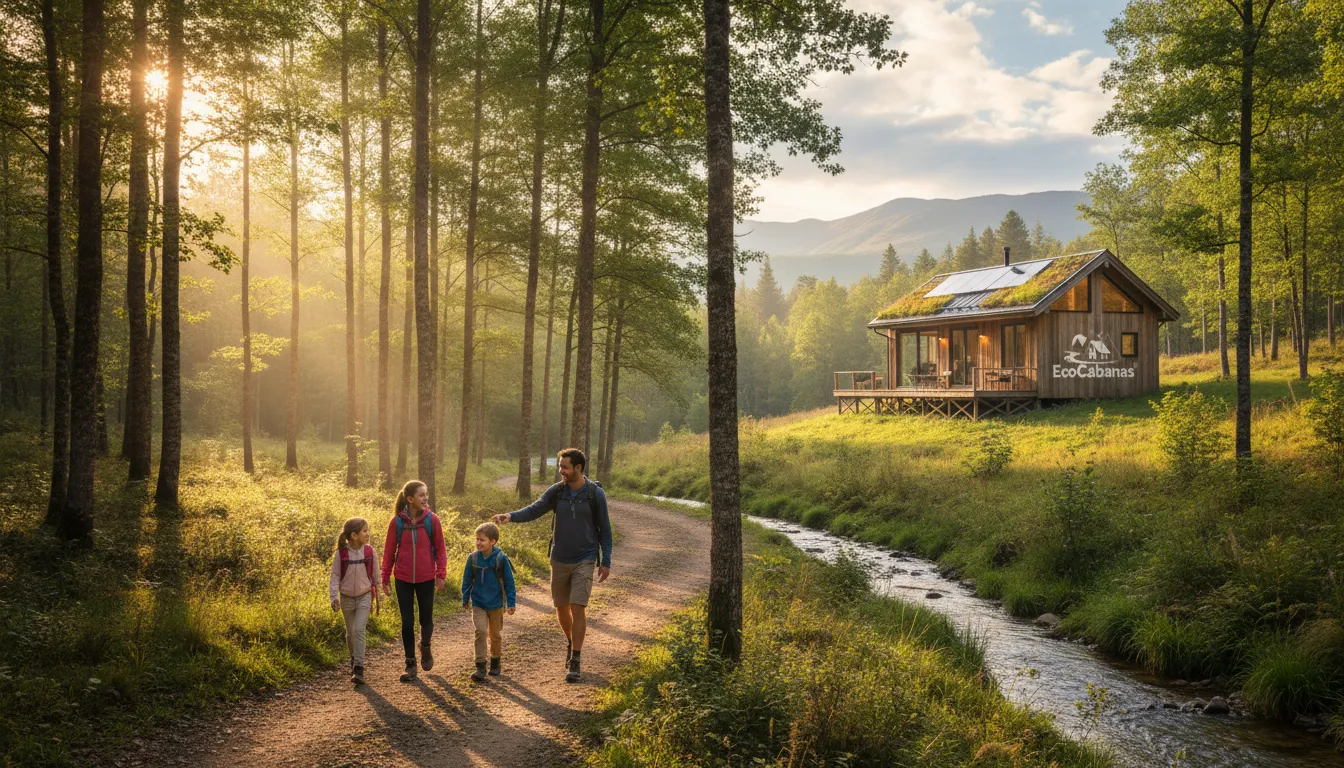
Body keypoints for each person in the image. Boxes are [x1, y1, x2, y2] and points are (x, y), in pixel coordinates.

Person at [494, 447, 611, 683]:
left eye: (565, 467)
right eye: (560, 466)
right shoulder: (557, 492)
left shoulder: (595, 494)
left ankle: (576, 659)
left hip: (585, 558)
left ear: (578, 468)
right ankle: (571, 642)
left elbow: (605, 531)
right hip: (559, 558)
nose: (561, 471)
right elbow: (535, 509)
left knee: (578, 606)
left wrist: (605, 561)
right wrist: (511, 516)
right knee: (561, 608)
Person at [381, 480, 446, 682]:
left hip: (426, 578)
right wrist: (385, 577)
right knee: (407, 622)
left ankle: (425, 646)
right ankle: (410, 664)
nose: (425, 498)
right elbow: (389, 551)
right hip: (403, 578)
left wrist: (440, 574)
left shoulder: (432, 520)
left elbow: (440, 549)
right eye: (421, 495)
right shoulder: (397, 523)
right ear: (410, 499)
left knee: (426, 619)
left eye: (426, 494)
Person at [461, 521, 517, 682]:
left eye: (482, 540)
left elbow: (509, 582)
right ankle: (480, 666)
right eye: (477, 539)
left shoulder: (501, 558)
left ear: (492, 541)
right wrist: (465, 598)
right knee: (480, 632)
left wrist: (511, 603)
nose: (478, 542)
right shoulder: (472, 558)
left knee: (495, 634)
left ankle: (495, 662)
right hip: (478, 602)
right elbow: (466, 580)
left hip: (496, 604)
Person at [329, 517, 380, 686]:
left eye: (368, 530)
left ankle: (359, 668)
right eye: (365, 531)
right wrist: (334, 597)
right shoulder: (341, 553)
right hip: (346, 598)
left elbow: (376, 576)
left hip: (365, 595)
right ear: (354, 535)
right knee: (350, 632)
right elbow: (335, 575)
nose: (368, 534)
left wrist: (380, 592)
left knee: (359, 630)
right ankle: (353, 658)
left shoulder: (370, 552)